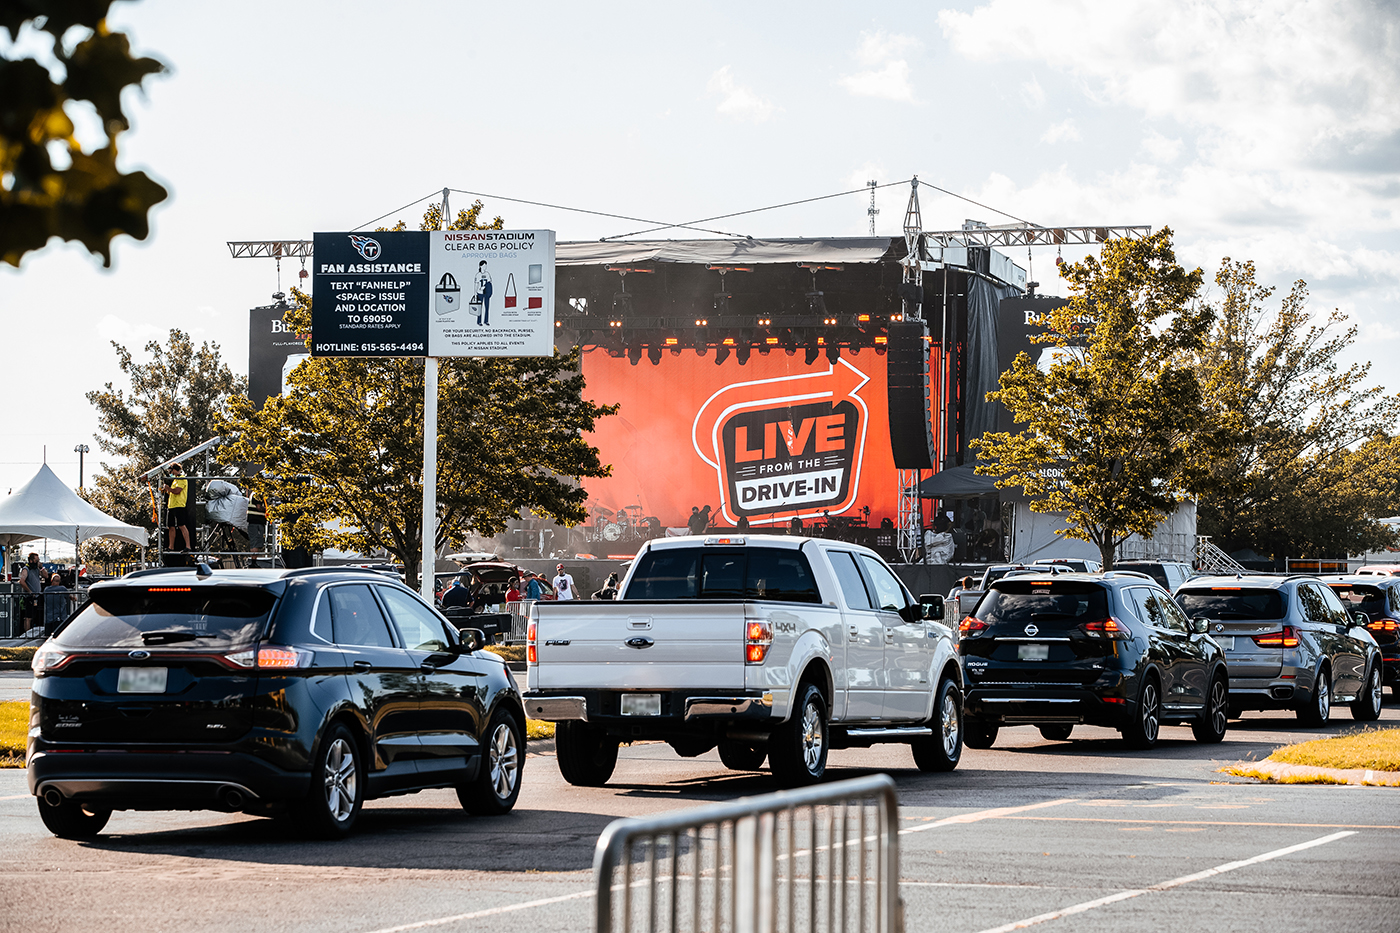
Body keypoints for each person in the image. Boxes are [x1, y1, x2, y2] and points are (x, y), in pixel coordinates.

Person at [160, 462, 193, 551]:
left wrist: (168, 488)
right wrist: (166, 489)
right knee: (171, 526)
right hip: (171, 506)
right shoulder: (174, 481)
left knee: (182, 525)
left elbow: (177, 491)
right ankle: (171, 547)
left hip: (179, 505)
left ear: (175, 470)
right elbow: (171, 492)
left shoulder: (182, 478)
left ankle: (188, 546)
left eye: (171, 470)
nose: (170, 473)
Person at [17, 552, 45, 634]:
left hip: (37, 596)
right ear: (31, 560)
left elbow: (46, 576)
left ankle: (32, 633)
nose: (38, 562)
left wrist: (41, 567)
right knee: (28, 617)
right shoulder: (26, 569)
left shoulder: (36, 569)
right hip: (30, 597)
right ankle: (27, 635)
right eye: (37, 560)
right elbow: (21, 581)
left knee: (34, 616)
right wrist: (30, 592)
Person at [473, 259, 493, 326]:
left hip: (486, 293)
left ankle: (486, 321)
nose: (485, 267)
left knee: (487, 307)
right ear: (480, 266)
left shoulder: (487, 274)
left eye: (486, 266)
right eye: (484, 266)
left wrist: (484, 287)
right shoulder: (478, 275)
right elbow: (476, 284)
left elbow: (489, 282)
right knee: (479, 308)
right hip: (480, 293)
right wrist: (475, 293)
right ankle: (479, 321)